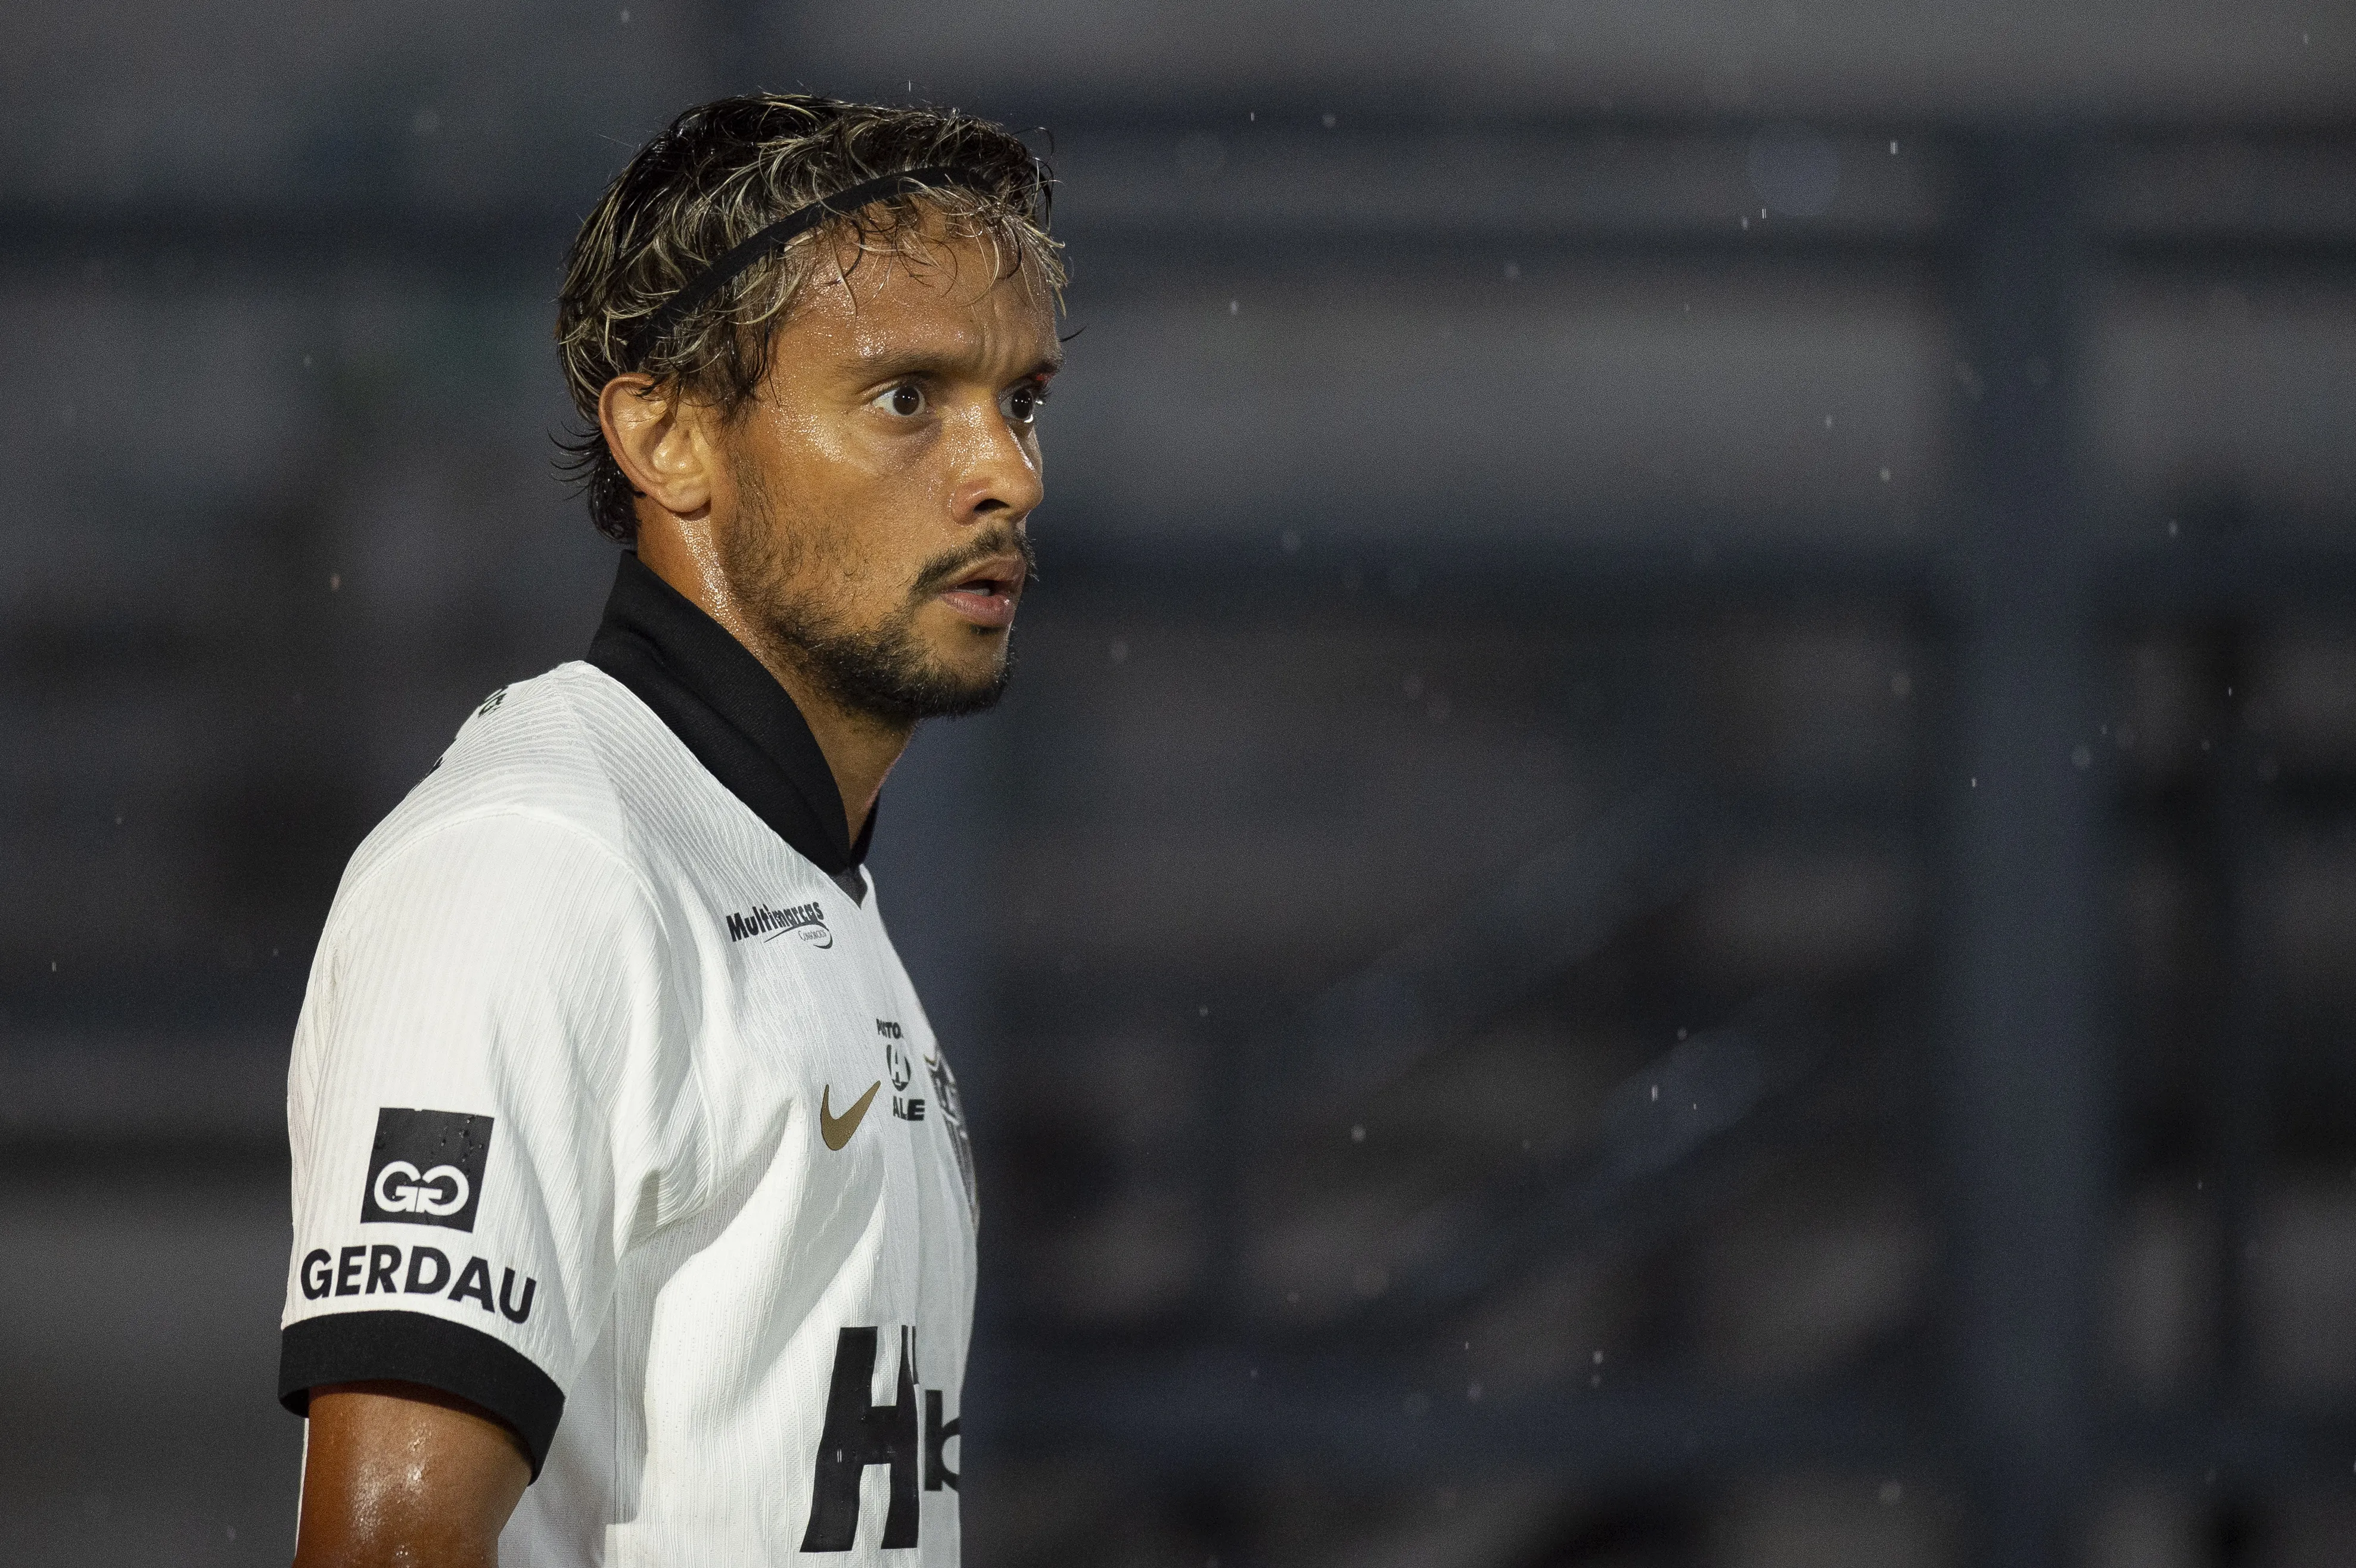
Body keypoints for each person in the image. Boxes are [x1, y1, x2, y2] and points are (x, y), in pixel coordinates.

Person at [276, 93, 1064, 1564]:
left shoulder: (798, 882)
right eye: (907, 397)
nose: (1008, 471)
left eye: (1022, 400)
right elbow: (384, 1549)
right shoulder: (537, 861)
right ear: (666, 432)